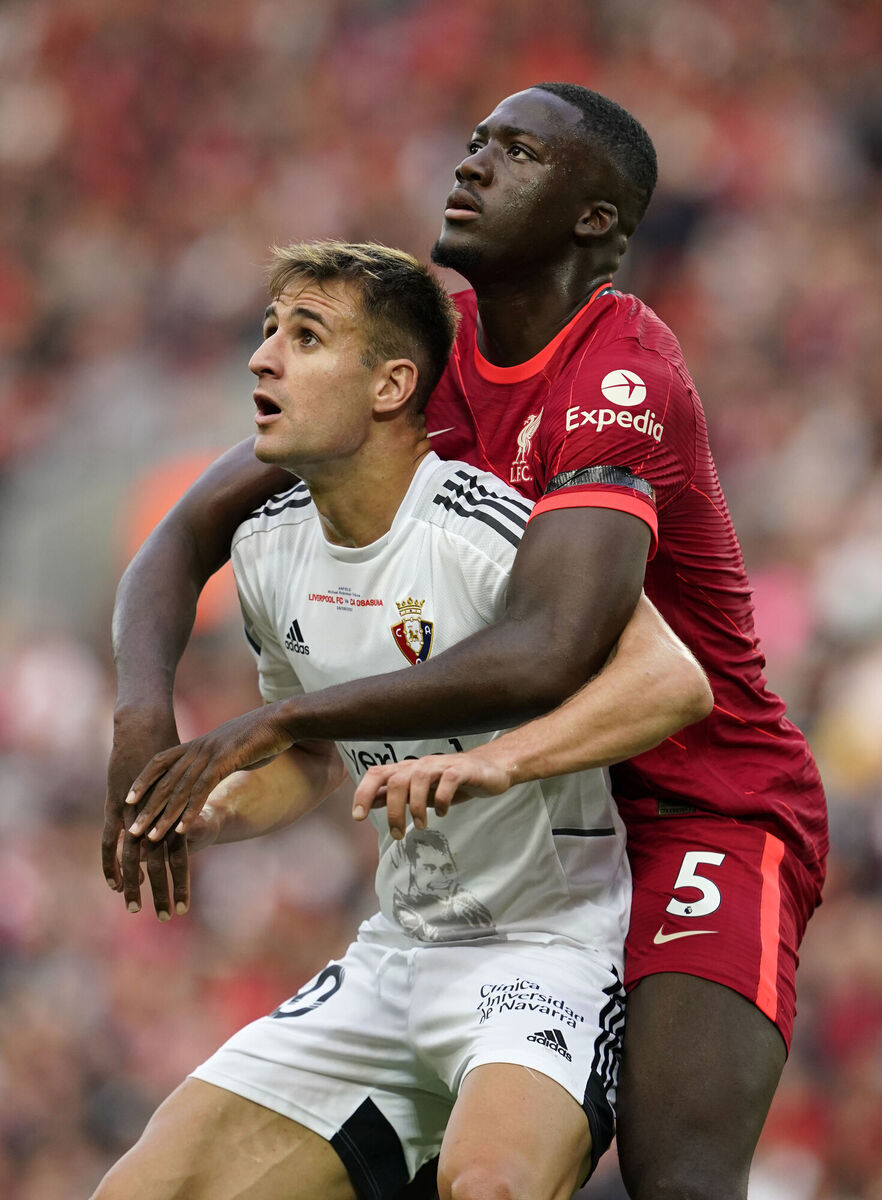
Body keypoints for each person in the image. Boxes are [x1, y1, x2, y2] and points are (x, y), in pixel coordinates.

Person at [107, 83, 828, 1200]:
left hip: (699, 805)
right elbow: (188, 533)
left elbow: (555, 644)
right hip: (526, 830)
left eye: (520, 151)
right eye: (478, 140)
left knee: (679, 1173)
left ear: (596, 221)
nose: (474, 162)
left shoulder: (620, 370)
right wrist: (145, 721)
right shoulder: (422, 363)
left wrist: (287, 716)